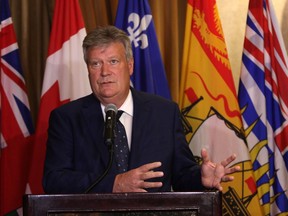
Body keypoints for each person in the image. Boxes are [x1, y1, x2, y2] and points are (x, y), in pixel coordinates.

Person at [42, 25, 240, 194]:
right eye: (96, 64)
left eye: (113, 62)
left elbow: (181, 175)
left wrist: (201, 178)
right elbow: (54, 180)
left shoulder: (164, 113)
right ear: (88, 70)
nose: (104, 72)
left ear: (129, 66)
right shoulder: (67, 118)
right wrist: (115, 184)